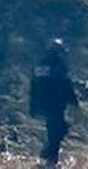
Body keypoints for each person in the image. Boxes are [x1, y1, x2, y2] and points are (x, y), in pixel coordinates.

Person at [29, 38, 78, 167]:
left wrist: (33, 105)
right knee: (58, 130)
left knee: (55, 129)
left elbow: (33, 86)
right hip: (56, 103)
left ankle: (48, 157)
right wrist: (73, 100)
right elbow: (64, 83)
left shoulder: (40, 65)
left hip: (43, 103)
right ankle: (49, 158)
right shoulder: (58, 65)